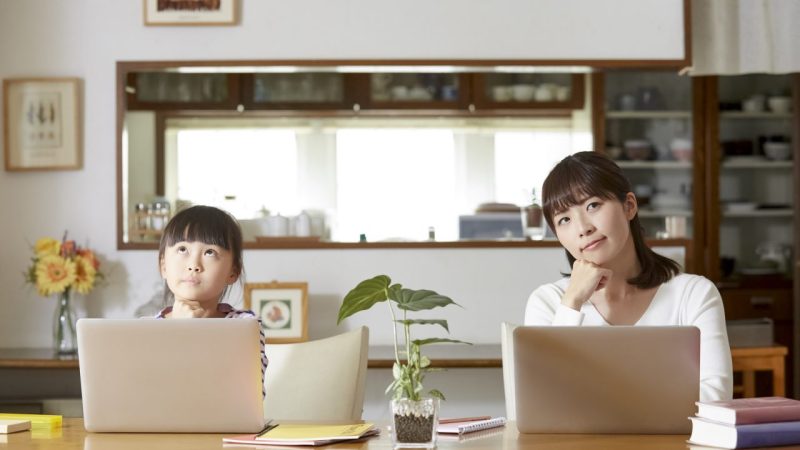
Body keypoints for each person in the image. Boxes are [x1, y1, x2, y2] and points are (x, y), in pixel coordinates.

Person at [524, 151, 732, 402]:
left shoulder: (693, 294)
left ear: (629, 206)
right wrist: (572, 303)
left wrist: (604, 404)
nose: (583, 228)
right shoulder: (549, 302)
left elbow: (716, 396)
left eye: (593, 205)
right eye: (564, 219)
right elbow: (544, 402)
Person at [155, 205, 268, 396]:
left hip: (227, 426)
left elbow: (247, 397)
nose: (193, 265)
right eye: (182, 249)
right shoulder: (145, 330)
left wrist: (193, 333)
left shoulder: (244, 326)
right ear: (164, 266)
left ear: (233, 272)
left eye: (209, 252)